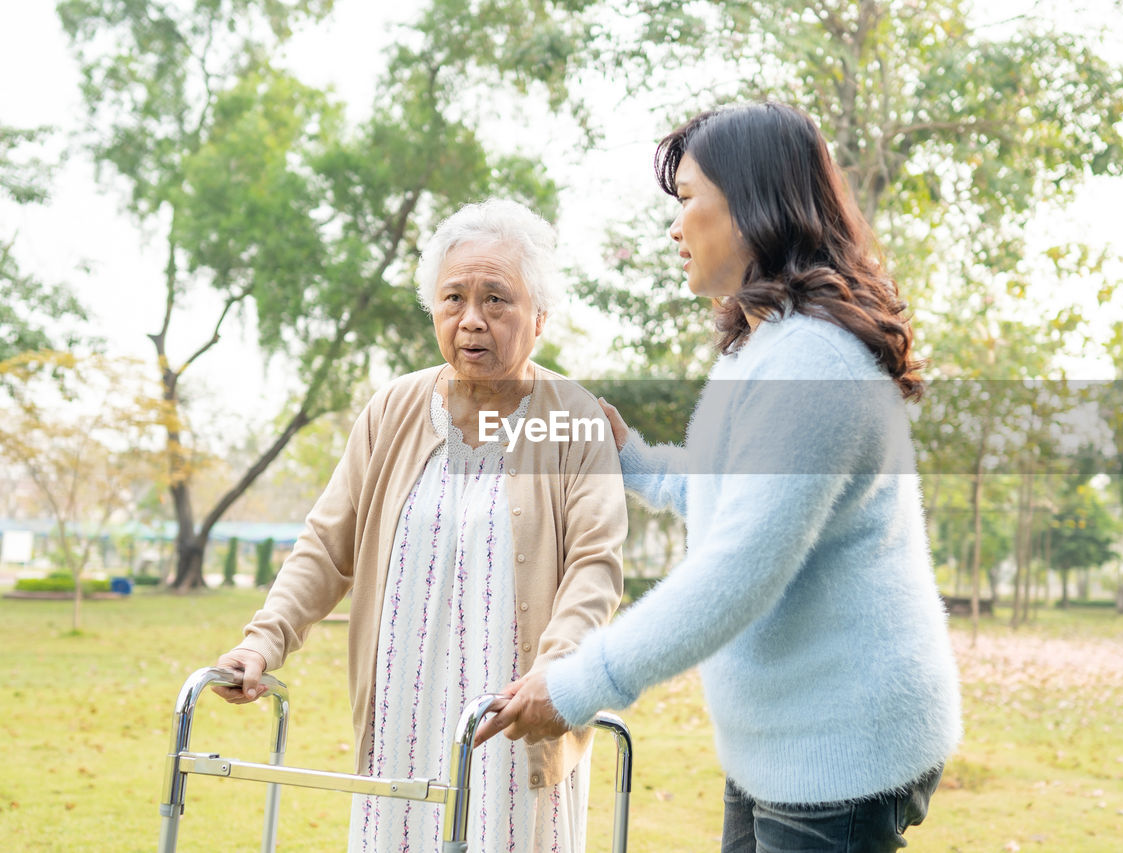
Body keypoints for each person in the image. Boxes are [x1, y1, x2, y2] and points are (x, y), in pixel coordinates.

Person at [476, 102, 963, 852]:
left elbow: (738, 573)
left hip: (842, 747)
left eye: (689, 198)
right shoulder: (761, 350)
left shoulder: (814, 364)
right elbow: (717, 491)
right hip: (782, 738)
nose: (675, 227)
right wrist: (630, 453)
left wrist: (576, 686)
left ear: (753, 204)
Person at [213, 198, 627, 853]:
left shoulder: (573, 417)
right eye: (453, 298)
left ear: (539, 316)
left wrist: (558, 671)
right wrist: (263, 641)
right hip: (402, 721)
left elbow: (596, 564)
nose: (471, 320)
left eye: (497, 299)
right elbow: (326, 544)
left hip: (513, 721)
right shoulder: (394, 409)